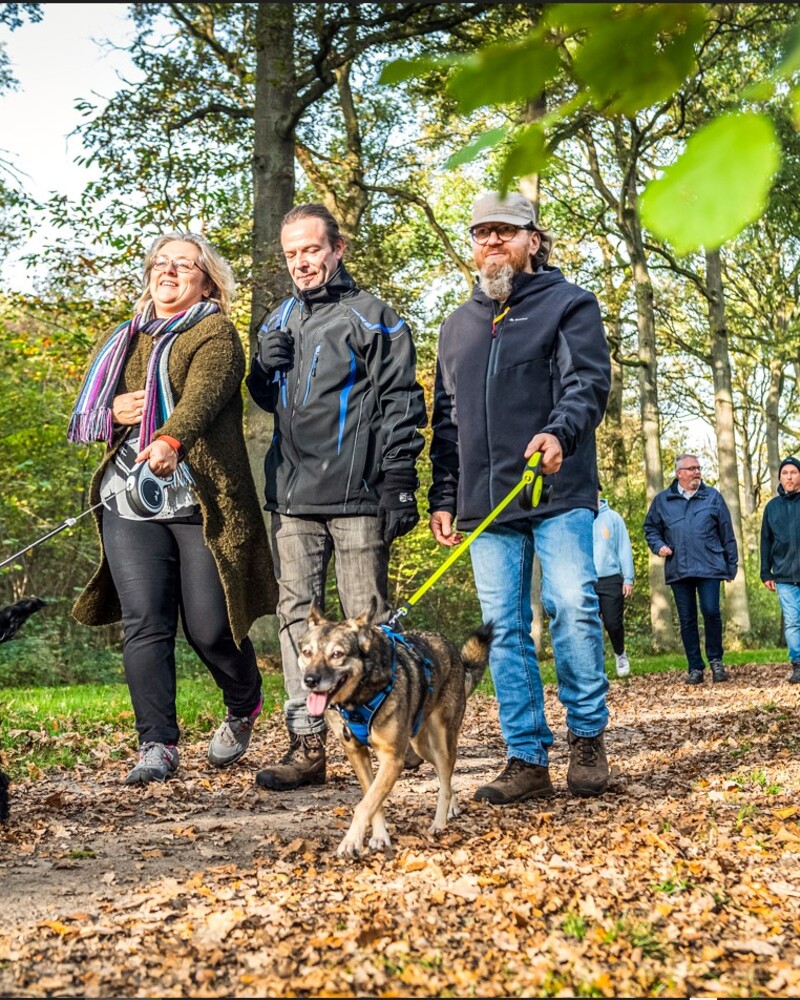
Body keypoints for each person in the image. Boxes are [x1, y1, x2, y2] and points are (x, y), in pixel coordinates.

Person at [68, 232, 278, 784]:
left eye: (183, 265)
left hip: (201, 501)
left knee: (209, 628)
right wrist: (114, 413)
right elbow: (92, 412)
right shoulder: (125, 337)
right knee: (145, 623)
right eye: (161, 263)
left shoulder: (215, 333)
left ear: (206, 280)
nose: (169, 272)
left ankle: (244, 700)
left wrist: (169, 438)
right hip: (130, 500)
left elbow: (203, 399)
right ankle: (156, 745)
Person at [428, 190, 612, 804]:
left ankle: (587, 738)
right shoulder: (457, 326)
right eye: (482, 232)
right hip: (488, 507)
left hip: (556, 489)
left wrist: (559, 433)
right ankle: (526, 756)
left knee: (572, 605)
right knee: (503, 628)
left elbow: (587, 382)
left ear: (534, 239)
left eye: (506, 231)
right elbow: (446, 419)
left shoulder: (570, 305)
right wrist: (445, 495)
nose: (493, 242)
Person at [246, 203, 427, 792]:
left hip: (359, 494)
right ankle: (307, 744)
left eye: (312, 249)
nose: (302, 261)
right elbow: (275, 403)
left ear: (337, 248)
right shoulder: (278, 320)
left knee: (367, 621)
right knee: (296, 617)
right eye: (292, 253)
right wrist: (259, 374)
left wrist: (400, 482)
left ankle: (388, 733)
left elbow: (402, 400)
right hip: (292, 497)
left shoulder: (375, 318)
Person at [644, 454, 738, 685]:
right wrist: (659, 546)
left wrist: (731, 564)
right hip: (680, 568)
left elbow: (727, 532)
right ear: (679, 473)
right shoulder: (662, 501)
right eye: (691, 468)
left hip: (710, 566)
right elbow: (650, 528)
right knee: (687, 619)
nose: (697, 472)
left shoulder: (713, 497)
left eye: (699, 468)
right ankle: (695, 667)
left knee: (711, 612)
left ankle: (716, 661)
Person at [760, 456, 800, 684]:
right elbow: (765, 540)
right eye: (785, 473)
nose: (789, 477)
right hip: (784, 575)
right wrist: (766, 572)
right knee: (793, 622)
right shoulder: (772, 507)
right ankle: (797, 665)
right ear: (780, 478)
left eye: (793, 472)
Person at [593, 485, 635, 678]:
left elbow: (624, 548)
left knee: (613, 623)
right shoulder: (578, 517)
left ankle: (620, 654)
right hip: (586, 579)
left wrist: (628, 578)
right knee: (589, 625)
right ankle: (595, 665)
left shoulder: (613, 518)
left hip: (611, 578)